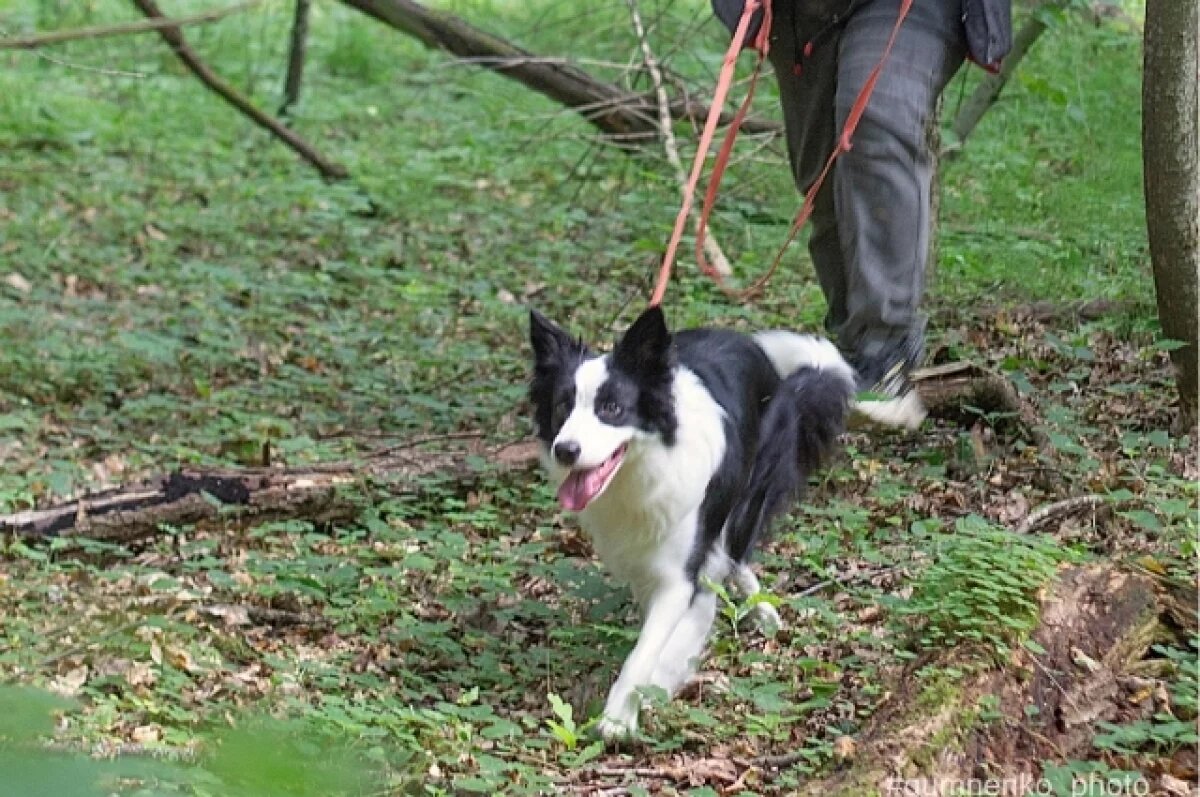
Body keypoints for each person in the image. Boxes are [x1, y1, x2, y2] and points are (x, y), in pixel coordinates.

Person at [711, 0, 1012, 400]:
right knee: (823, 175)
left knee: (876, 117)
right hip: (800, 13)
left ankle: (884, 353)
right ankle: (850, 352)